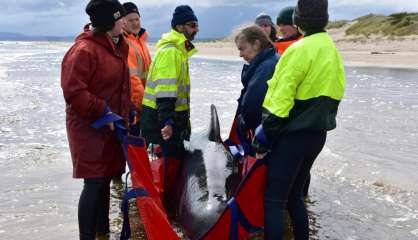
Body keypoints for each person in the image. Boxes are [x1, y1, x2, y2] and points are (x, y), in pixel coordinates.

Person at [252, 0, 346, 239]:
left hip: (292, 137)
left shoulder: (299, 50)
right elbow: (337, 92)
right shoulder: (331, 50)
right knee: (295, 195)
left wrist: (264, 137)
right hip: (317, 136)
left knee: (274, 200)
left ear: (298, 19)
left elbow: (279, 99)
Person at [61, 0, 131, 239]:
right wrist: (103, 111)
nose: (124, 21)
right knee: (94, 181)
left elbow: (121, 86)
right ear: (108, 22)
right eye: (120, 18)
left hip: (112, 126)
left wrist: (128, 110)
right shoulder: (83, 51)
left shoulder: (121, 45)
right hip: (88, 126)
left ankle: (103, 233)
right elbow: (73, 92)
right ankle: (87, 236)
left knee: (106, 178)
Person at [140, 5, 198, 207]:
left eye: (197, 25)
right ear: (180, 26)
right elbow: (165, 92)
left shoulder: (180, 50)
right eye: (192, 25)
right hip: (161, 119)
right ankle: (161, 207)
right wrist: (167, 121)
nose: (196, 29)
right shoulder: (171, 52)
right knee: (166, 166)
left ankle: (168, 203)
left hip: (174, 119)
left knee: (173, 164)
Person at [234, 25, 279, 155]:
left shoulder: (265, 67)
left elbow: (253, 106)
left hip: (263, 135)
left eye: (242, 49)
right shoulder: (273, 59)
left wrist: (243, 122)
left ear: (256, 44)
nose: (240, 54)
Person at [122, 1, 152, 134]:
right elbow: (133, 81)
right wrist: (145, 107)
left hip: (145, 107)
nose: (135, 23)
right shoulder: (126, 44)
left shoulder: (140, 41)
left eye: (137, 19)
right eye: (130, 20)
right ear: (122, 22)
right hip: (136, 112)